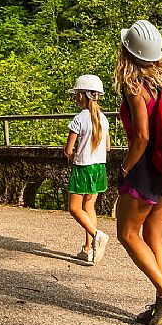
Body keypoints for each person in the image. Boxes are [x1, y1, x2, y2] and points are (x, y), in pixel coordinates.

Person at [114, 20, 162, 325]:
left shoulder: (134, 86)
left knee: (127, 234)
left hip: (147, 168)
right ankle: (161, 306)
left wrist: (125, 167)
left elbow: (141, 137)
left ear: (127, 52)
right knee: (154, 236)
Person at [64, 74, 111, 265]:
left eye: (77, 93)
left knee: (74, 208)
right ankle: (88, 249)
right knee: (89, 207)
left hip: (83, 167)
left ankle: (97, 235)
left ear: (83, 95)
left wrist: (70, 153)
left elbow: (69, 149)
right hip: (99, 168)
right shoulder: (104, 119)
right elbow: (107, 147)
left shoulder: (79, 119)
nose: (76, 97)